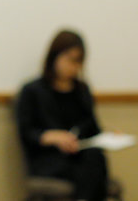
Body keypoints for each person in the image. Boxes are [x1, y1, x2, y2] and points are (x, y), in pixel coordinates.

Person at [16, 30, 108, 201]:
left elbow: (93, 129)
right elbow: (26, 132)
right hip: (49, 157)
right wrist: (52, 137)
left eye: (78, 61)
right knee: (88, 172)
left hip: (80, 154)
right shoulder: (32, 91)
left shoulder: (81, 91)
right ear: (54, 56)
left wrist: (109, 137)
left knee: (95, 158)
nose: (73, 66)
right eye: (69, 59)